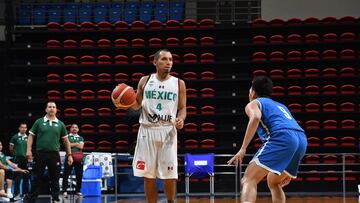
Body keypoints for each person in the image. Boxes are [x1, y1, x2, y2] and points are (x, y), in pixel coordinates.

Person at [113, 49, 187, 203]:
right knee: (148, 176)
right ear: (155, 62)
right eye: (164, 59)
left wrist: (180, 119)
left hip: (168, 132)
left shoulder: (179, 83)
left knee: (170, 176)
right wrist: (122, 103)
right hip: (147, 131)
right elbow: (136, 104)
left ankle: (171, 201)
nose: (168, 62)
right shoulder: (144, 81)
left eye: (171, 59)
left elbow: (182, 108)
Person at [228, 76, 307, 203]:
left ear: (253, 92)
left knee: (249, 179)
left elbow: (255, 118)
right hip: (301, 139)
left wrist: (243, 148)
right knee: (274, 182)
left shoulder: (254, 103)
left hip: (283, 137)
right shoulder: (281, 106)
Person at [25, 101, 73, 203]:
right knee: (37, 177)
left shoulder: (60, 124)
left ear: (56, 110)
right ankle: (31, 199)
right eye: (50, 107)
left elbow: (66, 141)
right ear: (46, 109)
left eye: (54, 107)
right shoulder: (39, 122)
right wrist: (28, 150)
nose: (51, 109)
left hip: (54, 154)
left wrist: (69, 155)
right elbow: (31, 136)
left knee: (55, 178)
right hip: (40, 154)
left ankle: (55, 198)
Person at [62, 123, 84, 198]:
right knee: (66, 174)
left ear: (78, 129)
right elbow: (67, 145)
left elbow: (81, 146)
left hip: (78, 158)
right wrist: (76, 144)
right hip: (69, 157)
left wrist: (71, 144)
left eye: (76, 127)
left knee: (79, 175)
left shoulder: (81, 137)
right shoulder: (67, 136)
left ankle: (78, 191)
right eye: (73, 127)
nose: (74, 128)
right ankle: (64, 190)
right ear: (70, 129)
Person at [9, 122, 30, 200]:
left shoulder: (28, 137)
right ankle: (17, 194)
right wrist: (15, 155)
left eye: (25, 127)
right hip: (17, 159)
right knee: (18, 177)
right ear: (19, 128)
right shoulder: (14, 137)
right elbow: (11, 149)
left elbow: (29, 148)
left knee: (26, 176)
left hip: (26, 159)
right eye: (22, 127)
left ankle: (26, 193)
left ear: (26, 129)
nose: (24, 129)